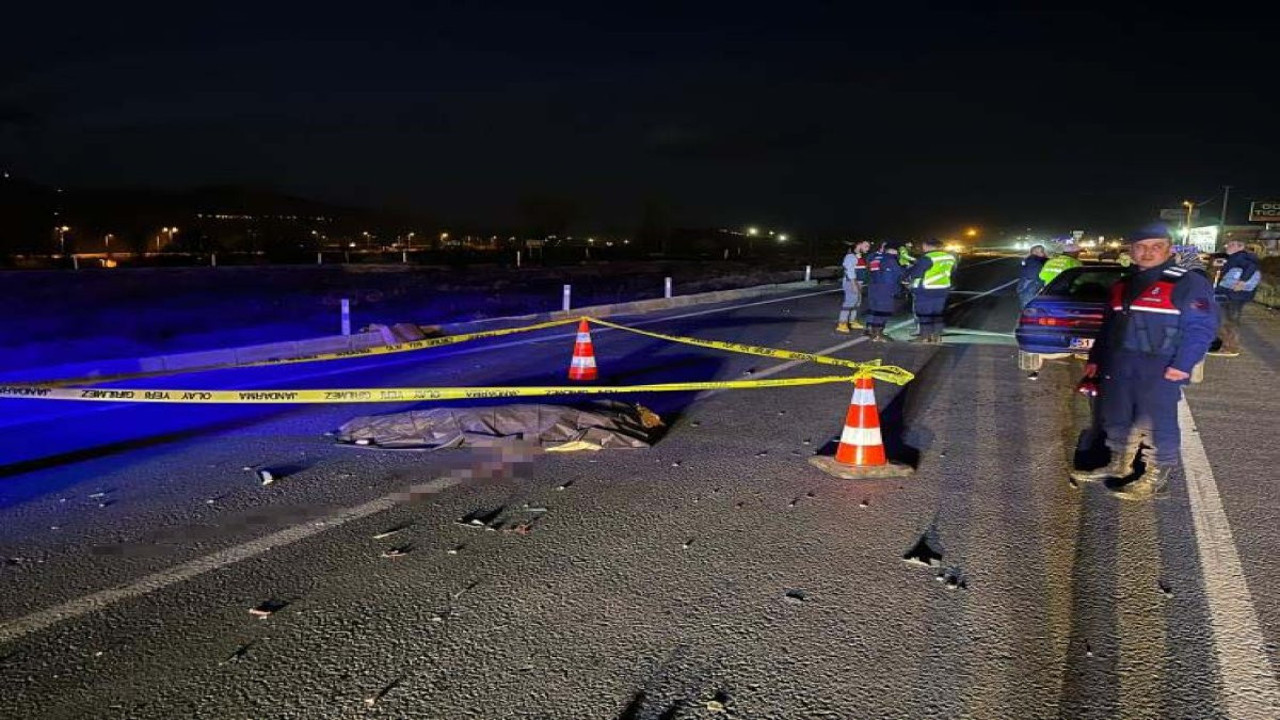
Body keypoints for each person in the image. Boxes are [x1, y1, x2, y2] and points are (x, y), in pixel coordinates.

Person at [1070, 226, 1218, 499]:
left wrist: (1183, 364)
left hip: (1160, 365)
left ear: (1169, 249)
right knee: (1117, 416)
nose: (1148, 252)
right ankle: (1118, 464)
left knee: (1155, 422)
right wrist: (1095, 359)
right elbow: (1108, 327)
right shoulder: (1123, 285)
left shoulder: (1188, 283)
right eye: (1141, 246)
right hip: (1119, 364)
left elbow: (1201, 328)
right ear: (1131, 250)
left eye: (1156, 246)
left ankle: (1155, 476)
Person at [1208, 239, 1261, 357]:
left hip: (1234, 295)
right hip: (1232, 294)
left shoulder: (1241, 256)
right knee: (1225, 320)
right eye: (1228, 244)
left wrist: (1242, 282)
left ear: (1240, 246)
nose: (1228, 246)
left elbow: (1251, 267)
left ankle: (1230, 348)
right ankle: (1227, 346)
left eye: (1232, 245)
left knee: (1228, 321)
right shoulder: (1237, 257)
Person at [903, 238, 957, 344]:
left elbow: (916, 273)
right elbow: (953, 271)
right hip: (942, 289)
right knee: (937, 314)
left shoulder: (927, 257)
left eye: (923, 246)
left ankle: (925, 336)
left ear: (927, 246)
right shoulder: (950, 257)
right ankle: (937, 336)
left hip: (926, 289)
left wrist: (906, 278)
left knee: (924, 313)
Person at [865, 240, 905, 342]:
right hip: (885, 289)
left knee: (875, 309)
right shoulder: (890, 259)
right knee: (883, 311)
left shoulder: (874, 258)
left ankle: (871, 330)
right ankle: (878, 334)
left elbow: (870, 272)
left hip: (874, 287)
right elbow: (899, 273)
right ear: (895, 250)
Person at [836, 240, 871, 333]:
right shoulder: (850, 256)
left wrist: (860, 284)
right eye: (866, 246)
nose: (868, 248)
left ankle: (852, 321)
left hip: (858, 282)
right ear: (859, 245)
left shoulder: (859, 256)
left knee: (857, 302)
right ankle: (842, 323)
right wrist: (854, 285)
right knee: (850, 302)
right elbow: (850, 271)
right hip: (851, 282)